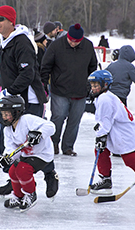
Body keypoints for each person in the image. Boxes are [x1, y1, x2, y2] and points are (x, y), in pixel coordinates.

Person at [0, 5, 58, 200]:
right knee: (9, 139)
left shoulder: (21, 42)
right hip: (12, 100)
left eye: (1, 19)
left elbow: (27, 73)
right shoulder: (4, 41)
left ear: (12, 22)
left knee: (36, 141)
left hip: (28, 100)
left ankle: (50, 174)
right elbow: (6, 66)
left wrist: (9, 91)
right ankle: (14, 180)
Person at [87, 70, 135, 197]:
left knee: (129, 158)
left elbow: (106, 121)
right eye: (92, 85)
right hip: (114, 128)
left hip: (122, 130)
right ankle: (106, 180)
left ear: (105, 85)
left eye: (96, 85)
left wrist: (101, 134)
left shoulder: (105, 99)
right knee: (100, 150)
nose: (93, 88)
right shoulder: (101, 97)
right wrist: (101, 134)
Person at [41, 23, 98, 156]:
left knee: (74, 120)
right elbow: (45, 66)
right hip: (60, 90)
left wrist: (90, 85)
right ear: (68, 36)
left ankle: (67, 147)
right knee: (58, 117)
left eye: (76, 41)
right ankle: (53, 143)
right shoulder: (56, 45)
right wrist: (44, 83)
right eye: (71, 40)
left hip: (80, 91)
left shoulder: (88, 46)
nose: (73, 43)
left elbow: (92, 66)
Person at [0, 95, 55, 212]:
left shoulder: (27, 120)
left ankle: (30, 194)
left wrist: (39, 133)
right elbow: (11, 148)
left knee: (22, 169)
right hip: (27, 155)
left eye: (7, 114)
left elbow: (50, 126)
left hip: (42, 154)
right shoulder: (7, 130)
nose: (5, 118)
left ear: (17, 112)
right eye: (3, 114)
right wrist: (7, 158)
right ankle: (18, 196)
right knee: (13, 171)